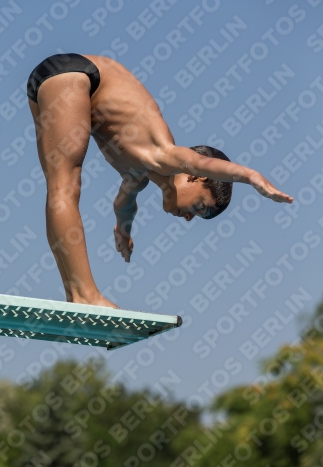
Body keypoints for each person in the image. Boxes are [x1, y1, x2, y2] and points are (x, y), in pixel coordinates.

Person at [27, 53, 293, 309]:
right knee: (64, 187)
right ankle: (86, 294)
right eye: (200, 207)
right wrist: (252, 176)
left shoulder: (138, 176)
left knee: (59, 189)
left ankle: (76, 295)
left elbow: (124, 204)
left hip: (48, 81)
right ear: (196, 177)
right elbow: (205, 162)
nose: (189, 218)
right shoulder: (165, 154)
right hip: (78, 75)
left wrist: (123, 230)